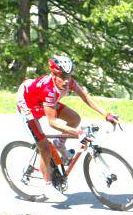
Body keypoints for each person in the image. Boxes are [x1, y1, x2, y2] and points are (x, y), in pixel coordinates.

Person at [17, 55, 119, 202]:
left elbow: (85, 97)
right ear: (53, 74)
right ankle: (47, 187)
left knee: (75, 119)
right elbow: (52, 122)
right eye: (62, 76)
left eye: (68, 76)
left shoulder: (68, 81)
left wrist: (106, 114)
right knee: (44, 147)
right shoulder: (49, 89)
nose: (66, 80)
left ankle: (59, 144)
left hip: (43, 102)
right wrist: (78, 133)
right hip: (28, 105)